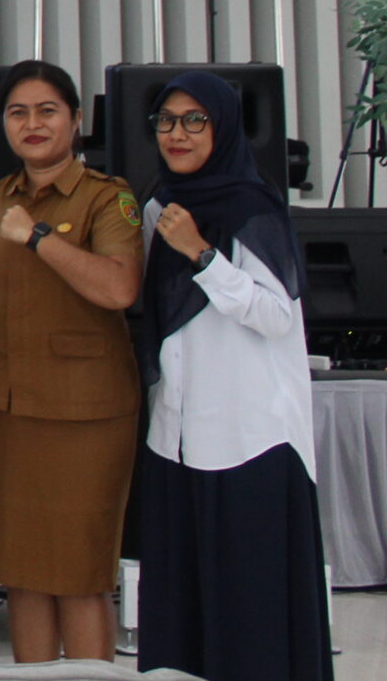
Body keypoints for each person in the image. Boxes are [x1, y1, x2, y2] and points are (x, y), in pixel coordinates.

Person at [0, 60, 143, 665]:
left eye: (47, 111)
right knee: (20, 573)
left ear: (76, 120)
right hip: (3, 410)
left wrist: (38, 236)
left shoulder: (108, 198)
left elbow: (118, 288)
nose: (32, 124)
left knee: (80, 575)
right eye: (18, 113)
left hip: (87, 415)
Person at [133, 71, 330, 681]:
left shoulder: (253, 207)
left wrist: (203, 255)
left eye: (195, 120)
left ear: (222, 128)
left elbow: (276, 315)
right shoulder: (158, 205)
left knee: (251, 621)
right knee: (183, 621)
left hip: (250, 443)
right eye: (167, 121)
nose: (178, 134)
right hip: (175, 438)